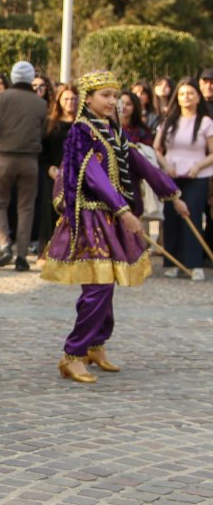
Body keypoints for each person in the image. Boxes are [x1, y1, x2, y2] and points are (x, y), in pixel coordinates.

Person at [42, 70, 189, 383]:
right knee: (98, 286)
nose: (112, 102)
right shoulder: (82, 132)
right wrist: (123, 211)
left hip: (110, 218)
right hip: (91, 218)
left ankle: (95, 344)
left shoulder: (112, 131)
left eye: (115, 96)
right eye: (105, 96)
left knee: (106, 286)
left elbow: (140, 164)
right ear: (89, 99)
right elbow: (93, 175)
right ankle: (72, 353)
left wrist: (172, 194)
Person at [0, 61, 47, 272]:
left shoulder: (2, 98)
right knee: (26, 207)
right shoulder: (40, 103)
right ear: (30, 78)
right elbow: (42, 130)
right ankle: (22, 256)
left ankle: (4, 244)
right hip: (30, 160)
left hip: (4, 157)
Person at [153, 78, 213, 280]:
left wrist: (198, 166)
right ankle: (172, 262)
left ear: (197, 97)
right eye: (182, 94)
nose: (186, 97)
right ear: (176, 97)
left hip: (197, 176)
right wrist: (166, 165)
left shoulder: (205, 122)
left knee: (193, 217)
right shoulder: (168, 121)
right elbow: (157, 148)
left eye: (190, 93)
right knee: (171, 217)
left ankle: (194, 263)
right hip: (172, 176)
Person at [37, 84, 77, 255]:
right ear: (59, 100)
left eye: (73, 99)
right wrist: (49, 168)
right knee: (48, 213)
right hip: (53, 175)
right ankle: (46, 252)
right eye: (66, 99)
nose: (70, 103)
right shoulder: (50, 124)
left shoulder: (82, 124)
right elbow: (42, 150)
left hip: (77, 176)